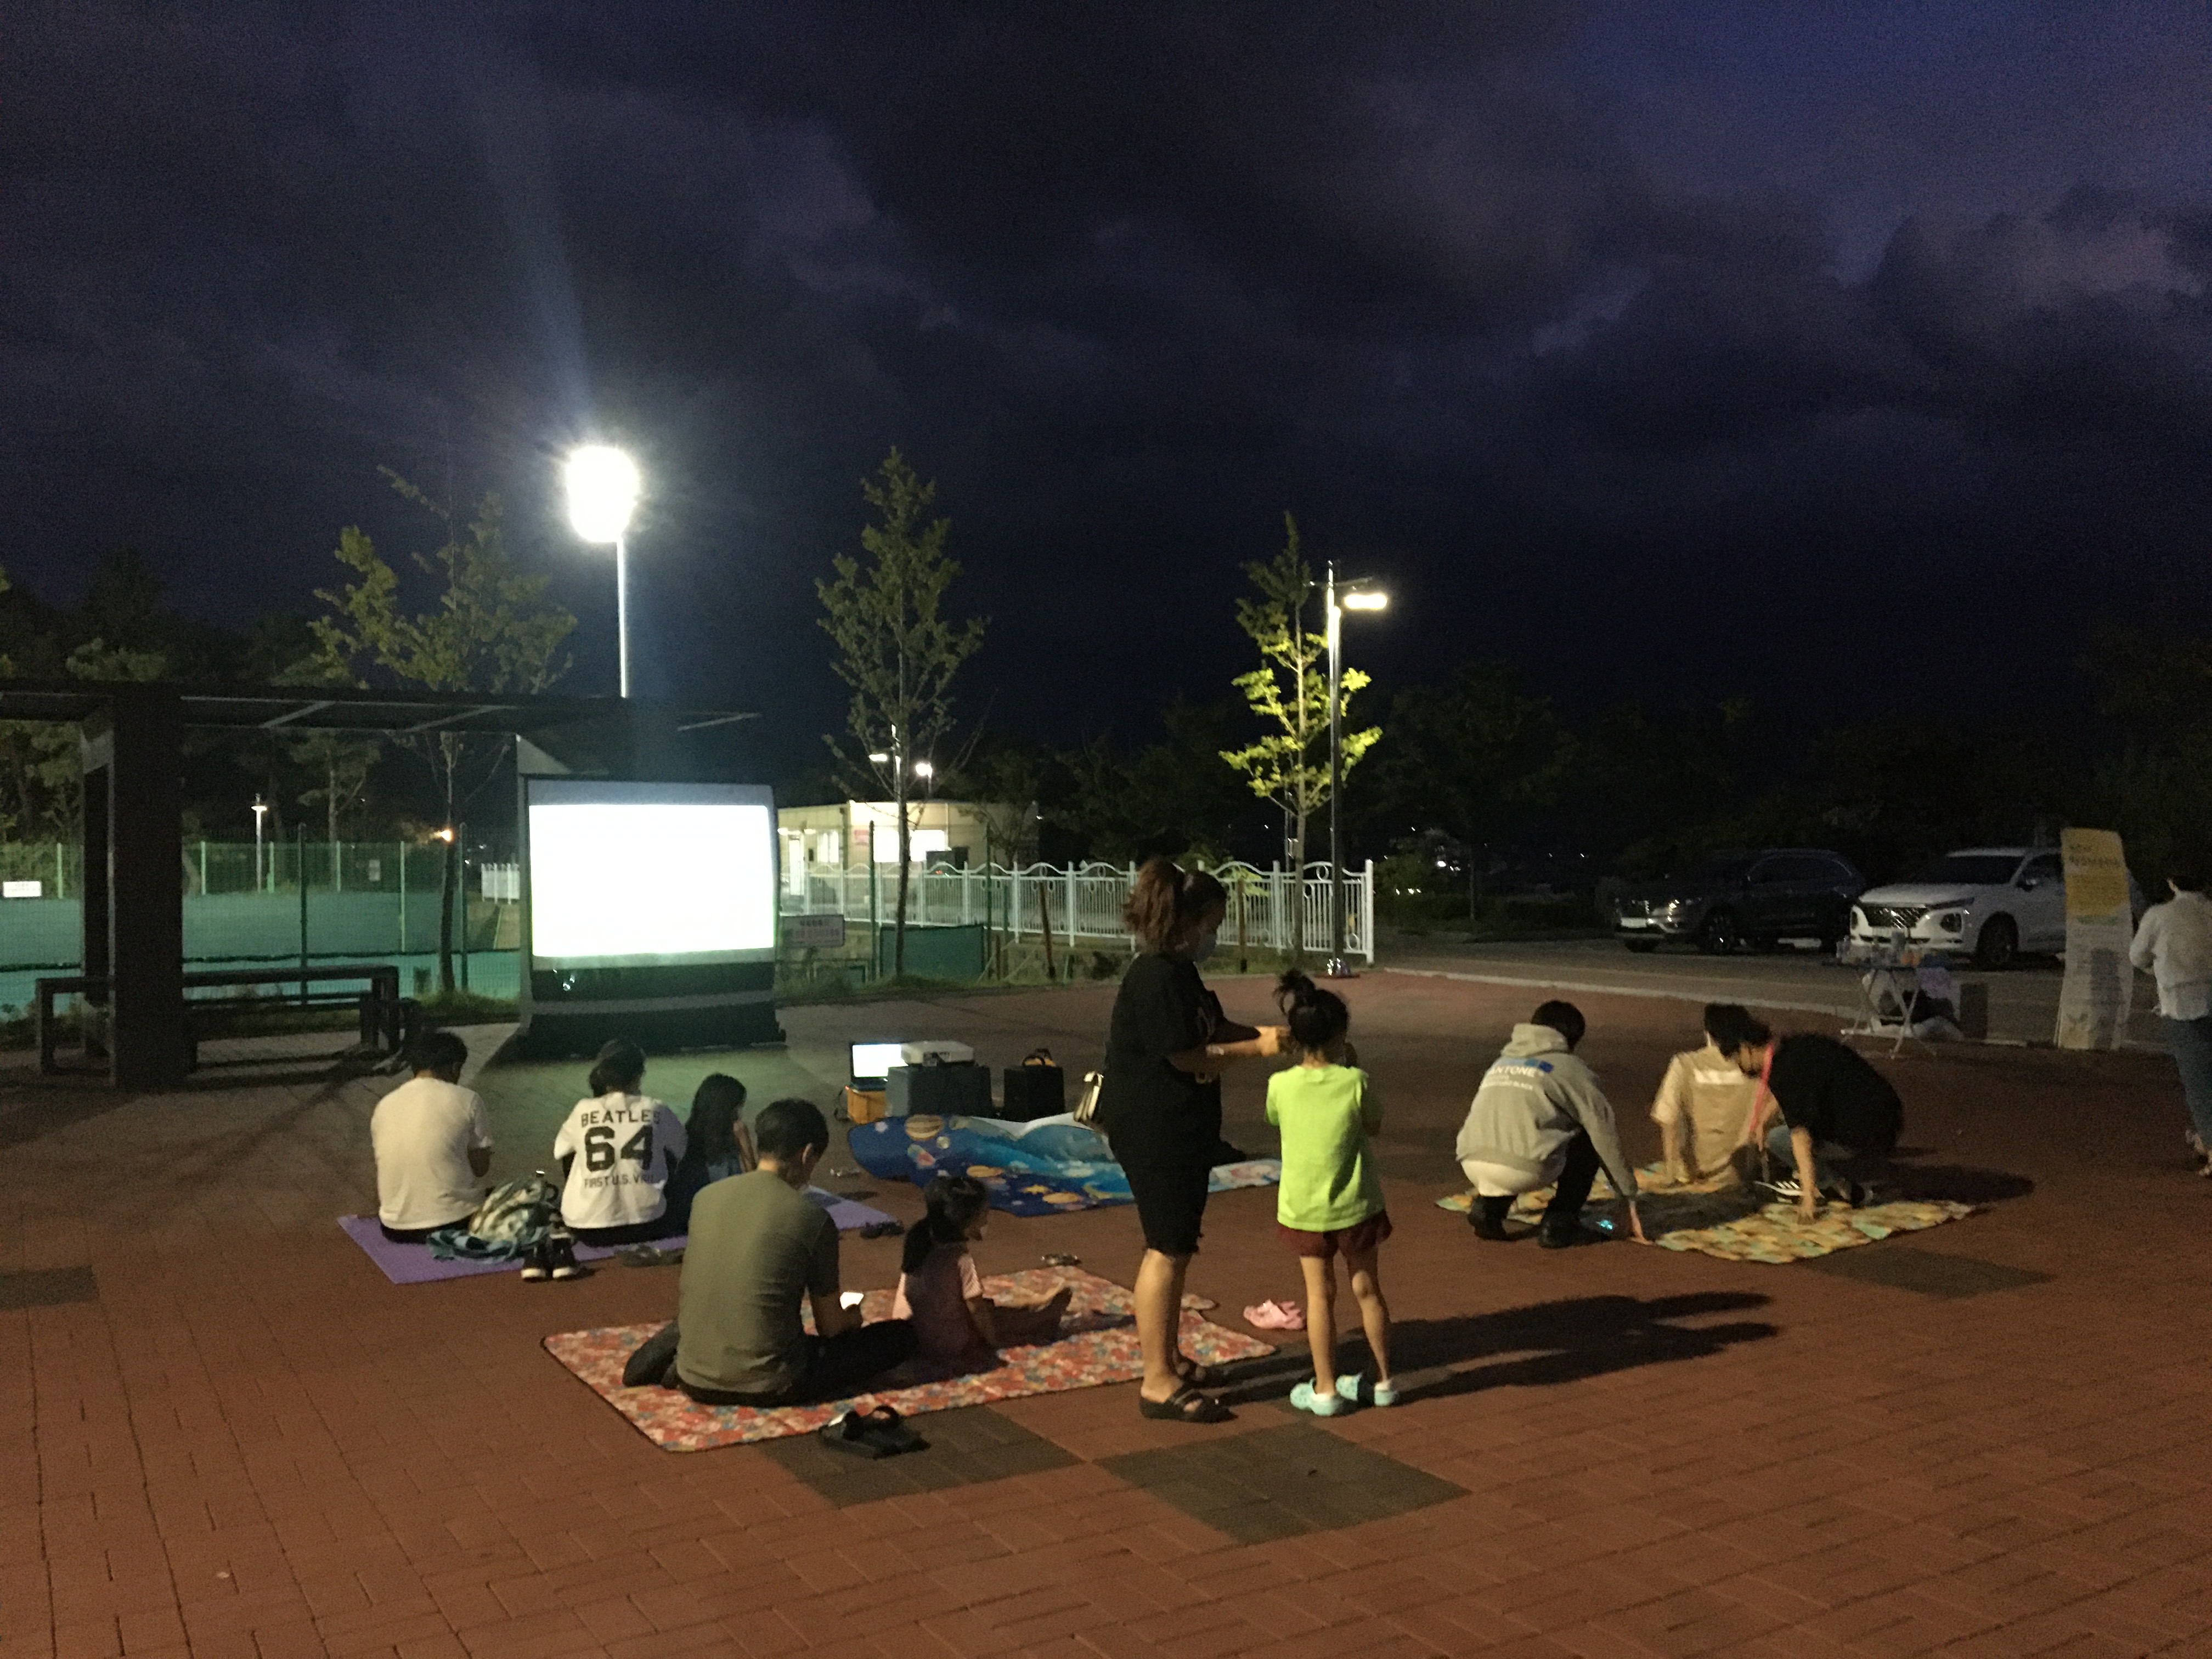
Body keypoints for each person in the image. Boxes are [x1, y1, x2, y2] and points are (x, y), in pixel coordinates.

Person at [1096, 856, 1285, 1424]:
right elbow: (1184, 1051)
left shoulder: (1179, 973)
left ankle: (1168, 1357)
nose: (1216, 937)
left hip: (1180, 1126)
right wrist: (1259, 1050)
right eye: (1214, 925)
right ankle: (1157, 1381)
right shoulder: (1153, 977)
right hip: (1154, 1128)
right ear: (1190, 921)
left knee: (1177, 1246)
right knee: (1166, 1248)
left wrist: (1269, 1033)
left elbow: (1211, 1029)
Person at [623, 1098, 917, 1404]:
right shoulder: (812, 1218)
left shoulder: (706, 1198)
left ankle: (675, 1354)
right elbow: (830, 1327)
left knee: (719, 1313)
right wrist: (852, 1318)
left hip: (694, 1378)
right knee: (900, 1337)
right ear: (806, 1155)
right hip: (773, 1382)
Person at [1266, 970, 1395, 1415]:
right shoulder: (1355, 1082)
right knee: (1368, 1290)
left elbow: (1276, 1120)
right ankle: (1383, 1381)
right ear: (1342, 1034)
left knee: (1319, 1296)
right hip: (1357, 1205)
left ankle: (1324, 1389)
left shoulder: (1280, 1085)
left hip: (1304, 1209)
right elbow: (1373, 1126)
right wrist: (1351, 1067)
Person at [1455, 1001, 1645, 1247]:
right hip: (1525, 1168)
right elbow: (1604, 1135)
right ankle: (1560, 1223)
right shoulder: (1571, 1068)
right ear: (1572, 1038)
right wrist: (1627, 1196)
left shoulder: (1501, 1063)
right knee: (1585, 1138)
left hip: (1472, 1163)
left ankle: (1488, 1208)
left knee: (1517, 1134)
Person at [1708, 1005, 1900, 1217]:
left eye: (1737, 1060)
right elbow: (1796, 1093)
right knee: (1789, 1116)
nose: (1740, 1067)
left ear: (1745, 1048)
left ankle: (1835, 1185)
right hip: (1888, 1112)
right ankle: (1827, 1175)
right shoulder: (1794, 1049)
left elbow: (1800, 1136)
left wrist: (1808, 1198)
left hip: (1868, 1132)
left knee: (1779, 1138)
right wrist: (1763, 1119)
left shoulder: (1784, 1074)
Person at [892, 1175, 1072, 1362]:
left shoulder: (917, 1239)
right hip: (944, 1343)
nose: (986, 1220)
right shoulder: (958, 1257)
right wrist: (991, 1342)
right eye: (984, 1214)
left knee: (977, 1306)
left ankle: (1033, 1304)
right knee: (992, 1317)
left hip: (909, 1333)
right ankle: (1043, 1316)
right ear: (968, 1219)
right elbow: (975, 1307)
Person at [551, 1039, 687, 1245]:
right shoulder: (655, 1108)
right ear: (639, 1074)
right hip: (650, 1224)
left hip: (588, 1229)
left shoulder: (582, 1109)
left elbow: (561, 1153)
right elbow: (681, 1150)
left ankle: (587, 1200)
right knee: (665, 1148)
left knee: (574, 1153)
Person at [2129, 856, 2212, 1175]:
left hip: (2182, 1005)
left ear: (2172, 883)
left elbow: (2137, 957)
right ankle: (2205, 1136)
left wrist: (2159, 970)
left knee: (2198, 1079)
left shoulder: (2160, 915)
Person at [369, 1030, 492, 1242]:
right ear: (455, 1068)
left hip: (394, 1228)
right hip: (454, 1222)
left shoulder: (384, 1104)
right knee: (515, 1195)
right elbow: (481, 1169)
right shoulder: (468, 1099)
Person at [1649, 1005, 1764, 1185]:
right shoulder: (1758, 1070)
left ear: (1709, 1034)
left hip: (1700, 1172)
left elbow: (1668, 1120)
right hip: (1746, 1174)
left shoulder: (1685, 1064)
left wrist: (1673, 1171)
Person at [663, 1073, 755, 1232]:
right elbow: (756, 1183)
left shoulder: (687, 1135)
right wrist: (744, 1143)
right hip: (712, 1218)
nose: (739, 1114)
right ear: (726, 1109)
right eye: (737, 1107)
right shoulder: (691, 1142)